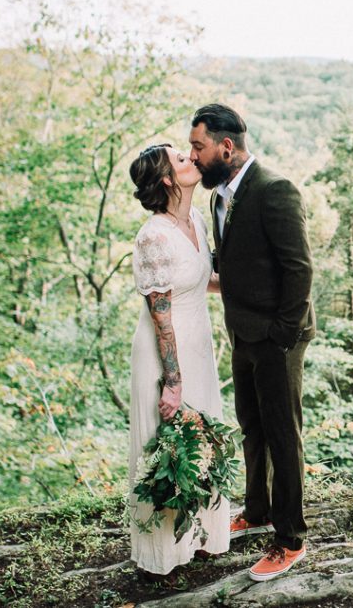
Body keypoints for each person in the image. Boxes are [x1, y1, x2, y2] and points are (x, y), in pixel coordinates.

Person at [189, 103, 315, 582]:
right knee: (252, 426)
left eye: (198, 147)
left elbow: (299, 269)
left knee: (283, 435)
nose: (193, 156)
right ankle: (258, 509)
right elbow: (235, 265)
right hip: (243, 333)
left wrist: (283, 335)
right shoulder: (219, 196)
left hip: (278, 338)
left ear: (226, 146)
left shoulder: (274, 189)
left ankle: (289, 538)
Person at [127, 143, 230, 576]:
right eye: (181, 159)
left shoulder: (195, 221)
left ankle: (201, 537)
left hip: (199, 344)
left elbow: (202, 280)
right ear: (168, 179)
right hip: (165, 352)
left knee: (202, 442)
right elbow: (160, 312)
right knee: (170, 445)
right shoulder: (154, 234)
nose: (192, 159)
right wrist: (173, 381)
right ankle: (165, 551)